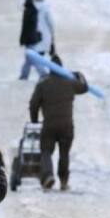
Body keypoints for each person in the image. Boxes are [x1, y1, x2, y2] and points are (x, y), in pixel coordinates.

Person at [29, 54, 88, 191]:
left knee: (46, 151)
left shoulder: (43, 84)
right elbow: (84, 88)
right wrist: (79, 74)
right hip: (67, 126)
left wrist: (34, 120)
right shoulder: (70, 82)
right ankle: (63, 181)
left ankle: (48, 176)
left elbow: (33, 104)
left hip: (49, 125)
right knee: (64, 153)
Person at [18, 0, 50, 80]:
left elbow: (25, 27)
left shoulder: (28, 11)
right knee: (29, 58)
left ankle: (42, 73)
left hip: (29, 39)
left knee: (32, 58)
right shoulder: (33, 11)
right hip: (33, 38)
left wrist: (22, 39)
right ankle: (24, 75)